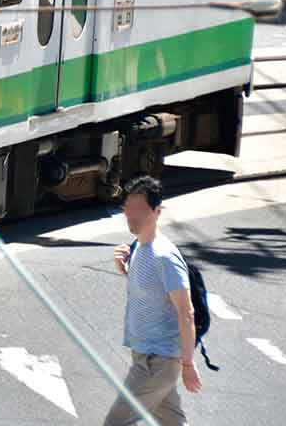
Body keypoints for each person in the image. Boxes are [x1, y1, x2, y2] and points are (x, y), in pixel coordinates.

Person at [104, 175, 202, 426]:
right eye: (128, 209)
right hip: (147, 356)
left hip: (156, 362)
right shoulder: (138, 248)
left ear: (157, 211)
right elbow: (149, 291)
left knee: (116, 422)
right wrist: (123, 267)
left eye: (139, 210)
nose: (131, 216)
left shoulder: (165, 257)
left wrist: (189, 365)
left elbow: (186, 311)